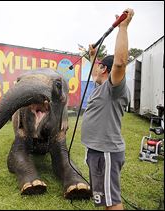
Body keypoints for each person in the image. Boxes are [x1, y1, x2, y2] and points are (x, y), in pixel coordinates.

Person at [81, 8, 134, 210]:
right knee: (103, 198)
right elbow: (98, 71)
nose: (97, 68)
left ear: (106, 69)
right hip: (95, 151)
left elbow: (119, 63)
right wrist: (94, 55)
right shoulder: (100, 86)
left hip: (106, 153)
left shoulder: (114, 89)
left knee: (112, 202)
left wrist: (123, 28)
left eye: (100, 65)